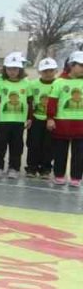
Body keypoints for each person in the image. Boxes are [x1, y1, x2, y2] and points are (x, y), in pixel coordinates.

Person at [0, 54, 31, 179]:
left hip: (19, 121)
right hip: (3, 120)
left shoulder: (26, 83)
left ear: (20, 70)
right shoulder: (1, 82)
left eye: (15, 69)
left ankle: (14, 168)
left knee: (16, 146)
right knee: (0, 144)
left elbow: (30, 102)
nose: (12, 72)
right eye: (9, 69)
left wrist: (29, 118)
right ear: (5, 69)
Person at [47, 51, 83, 187]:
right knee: (60, 152)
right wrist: (50, 118)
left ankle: (76, 177)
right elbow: (52, 102)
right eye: (80, 65)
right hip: (62, 124)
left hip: (81, 125)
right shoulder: (59, 82)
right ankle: (59, 175)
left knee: (79, 154)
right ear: (71, 65)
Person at [26, 57, 59, 179]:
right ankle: (31, 167)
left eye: (51, 70)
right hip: (36, 119)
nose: (48, 73)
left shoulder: (58, 83)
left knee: (49, 145)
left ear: (56, 71)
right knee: (33, 144)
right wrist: (29, 118)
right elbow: (29, 102)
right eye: (45, 71)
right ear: (39, 71)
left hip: (52, 120)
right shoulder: (32, 84)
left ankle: (45, 168)